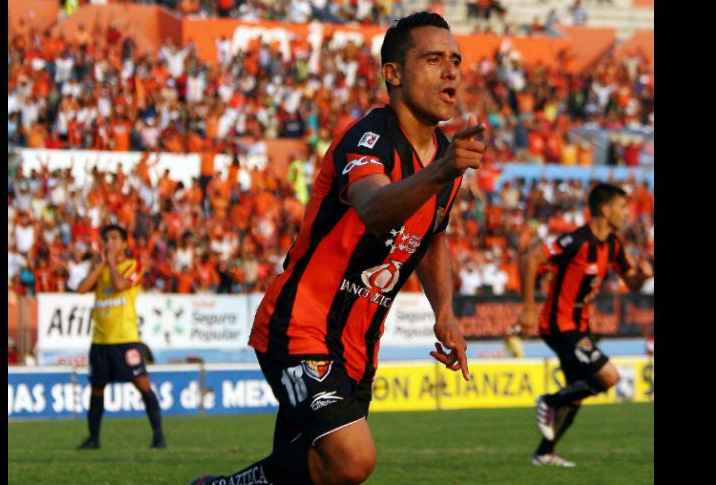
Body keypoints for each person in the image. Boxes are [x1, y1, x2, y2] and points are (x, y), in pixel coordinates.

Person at [190, 12, 486, 485]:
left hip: (357, 346)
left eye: (455, 60)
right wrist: (443, 172)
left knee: (316, 473)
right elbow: (372, 207)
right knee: (352, 460)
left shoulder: (443, 155)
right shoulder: (368, 138)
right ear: (393, 73)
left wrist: (444, 312)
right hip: (300, 326)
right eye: (433, 59)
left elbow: (433, 234)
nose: (451, 70)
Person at [518, 183, 653, 467]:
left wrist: (641, 276)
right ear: (606, 210)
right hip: (558, 325)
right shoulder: (577, 241)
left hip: (579, 327)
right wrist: (528, 308)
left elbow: (630, 283)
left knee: (577, 394)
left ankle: (544, 453)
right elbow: (531, 259)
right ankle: (550, 401)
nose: (627, 213)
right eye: (622, 207)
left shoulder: (614, 245)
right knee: (608, 377)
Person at [76, 224, 166, 450]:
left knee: (142, 384)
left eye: (115, 238)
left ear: (125, 244)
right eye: (107, 239)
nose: (110, 243)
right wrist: (102, 264)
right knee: (97, 388)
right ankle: (93, 438)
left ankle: (158, 436)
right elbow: (82, 288)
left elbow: (119, 285)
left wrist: (111, 264)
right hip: (100, 341)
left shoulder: (133, 266)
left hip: (126, 339)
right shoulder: (101, 269)